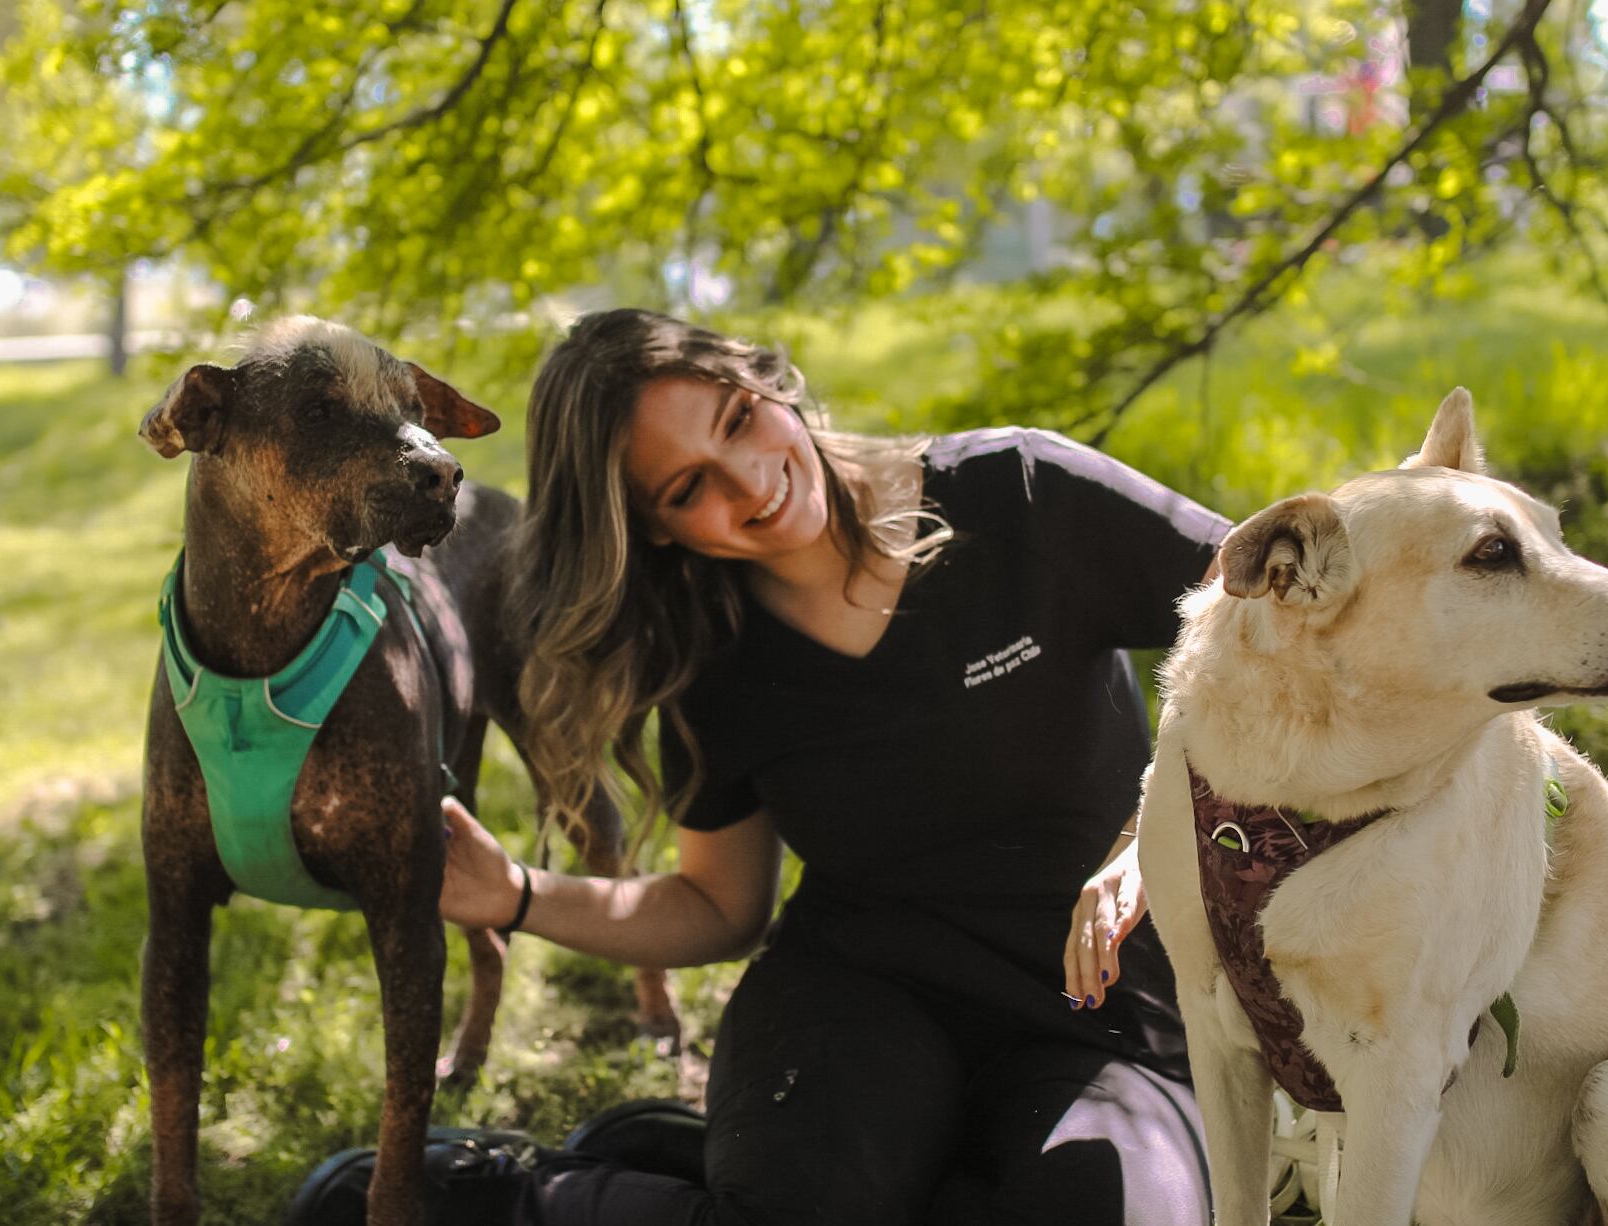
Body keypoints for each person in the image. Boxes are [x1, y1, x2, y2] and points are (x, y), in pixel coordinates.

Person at [427, 309, 1224, 1224]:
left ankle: (695, 1163)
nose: (750, 481)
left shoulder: (1021, 494)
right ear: (653, 530)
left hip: (1106, 1018)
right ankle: (506, 1197)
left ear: (764, 380)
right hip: (861, 1000)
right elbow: (720, 906)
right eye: (689, 487)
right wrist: (516, 895)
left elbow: (1300, 624)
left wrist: (1155, 826)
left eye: (738, 419)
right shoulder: (714, 655)